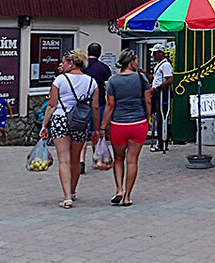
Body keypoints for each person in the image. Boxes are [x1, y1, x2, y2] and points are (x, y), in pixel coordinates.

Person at [39, 50, 100, 208]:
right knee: (75, 159)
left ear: (71, 64)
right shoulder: (91, 82)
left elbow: (52, 104)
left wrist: (44, 124)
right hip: (80, 121)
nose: (62, 65)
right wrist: (97, 128)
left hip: (60, 118)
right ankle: (73, 190)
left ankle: (67, 197)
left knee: (64, 160)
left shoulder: (60, 80)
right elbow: (94, 107)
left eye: (64, 62)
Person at [102, 49, 151, 206]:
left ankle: (119, 190)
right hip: (138, 123)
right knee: (132, 160)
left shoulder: (113, 81)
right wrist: (147, 118)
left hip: (118, 124)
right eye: (136, 60)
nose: (137, 63)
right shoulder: (141, 78)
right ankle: (128, 196)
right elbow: (148, 100)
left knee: (119, 159)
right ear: (131, 62)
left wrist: (103, 126)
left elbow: (110, 105)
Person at [83, 43, 112, 170]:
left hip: (82, 105)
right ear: (100, 53)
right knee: (97, 132)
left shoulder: (81, 67)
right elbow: (107, 87)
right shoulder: (104, 68)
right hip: (99, 104)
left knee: (82, 134)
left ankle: (81, 159)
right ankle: (97, 159)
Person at [147, 44, 173, 151]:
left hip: (163, 94)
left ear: (160, 53)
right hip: (158, 93)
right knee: (158, 117)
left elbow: (170, 80)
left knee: (162, 118)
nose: (153, 55)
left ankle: (163, 142)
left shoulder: (165, 65)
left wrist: (157, 88)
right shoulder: (159, 65)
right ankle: (160, 141)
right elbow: (155, 79)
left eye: (155, 53)